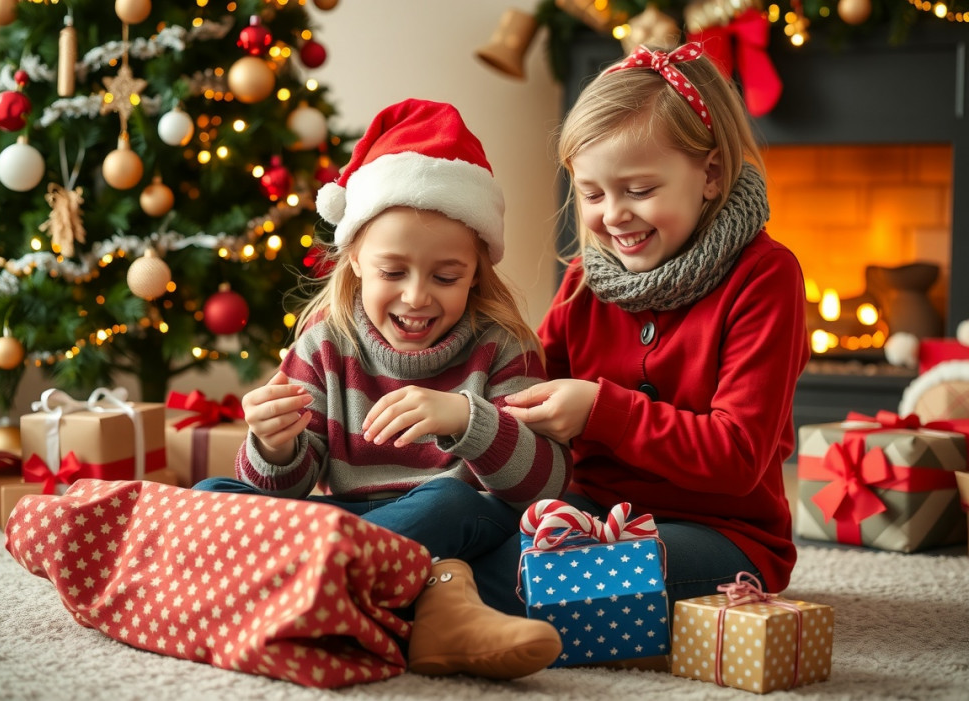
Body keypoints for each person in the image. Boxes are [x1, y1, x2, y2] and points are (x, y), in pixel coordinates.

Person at [195, 98, 570, 679]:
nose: (417, 296)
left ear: (476, 272)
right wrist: (273, 446)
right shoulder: (325, 343)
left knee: (450, 501)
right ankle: (395, 602)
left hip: (459, 525)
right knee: (213, 493)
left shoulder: (502, 345)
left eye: (446, 276)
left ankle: (289, 588)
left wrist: (467, 419)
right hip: (350, 521)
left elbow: (545, 483)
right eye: (393, 272)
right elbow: (285, 489)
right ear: (354, 261)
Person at [496, 42, 810, 615]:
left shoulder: (765, 276)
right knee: (485, 535)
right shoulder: (585, 279)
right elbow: (528, 386)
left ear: (710, 174)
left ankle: (465, 611)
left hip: (720, 533)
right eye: (592, 194)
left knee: (564, 575)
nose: (614, 214)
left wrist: (600, 411)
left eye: (639, 191)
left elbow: (739, 456)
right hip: (592, 509)